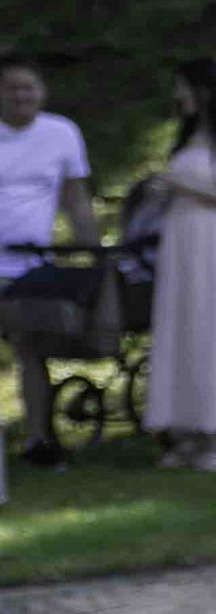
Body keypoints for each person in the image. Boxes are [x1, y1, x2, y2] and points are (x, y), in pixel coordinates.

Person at [144, 59, 216, 472]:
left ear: (205, 91)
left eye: (184, 87)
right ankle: (186, 431)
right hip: (182, 243)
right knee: (184, 330)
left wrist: (184, 186)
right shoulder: (188, 138)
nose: (179, 96)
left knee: (215, 329)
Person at [0, 53, 99, 468]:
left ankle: (38, 439)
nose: (21, 96)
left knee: (30, 349)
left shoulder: (61, 133)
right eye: (12, 88)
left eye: (28, 87)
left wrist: (92, 252)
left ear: (42, 92)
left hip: (31, 268)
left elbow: (76, 199)